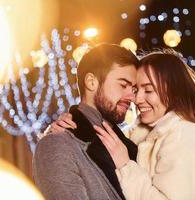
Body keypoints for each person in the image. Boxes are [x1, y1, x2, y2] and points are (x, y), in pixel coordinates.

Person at [52, 49, 195, 200]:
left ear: (174, 92)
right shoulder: (143, 135)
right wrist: (65, 126)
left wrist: (125, 166)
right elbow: (93, 141)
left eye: (148, 90)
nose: (136, 99)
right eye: (136, 90)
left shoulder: (185, 135)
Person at [32, 43, 139, 200]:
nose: (132, 97)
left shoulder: (129, 144)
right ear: (91, 82)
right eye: (123, 85)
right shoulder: (56, 144)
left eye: (134, 89)